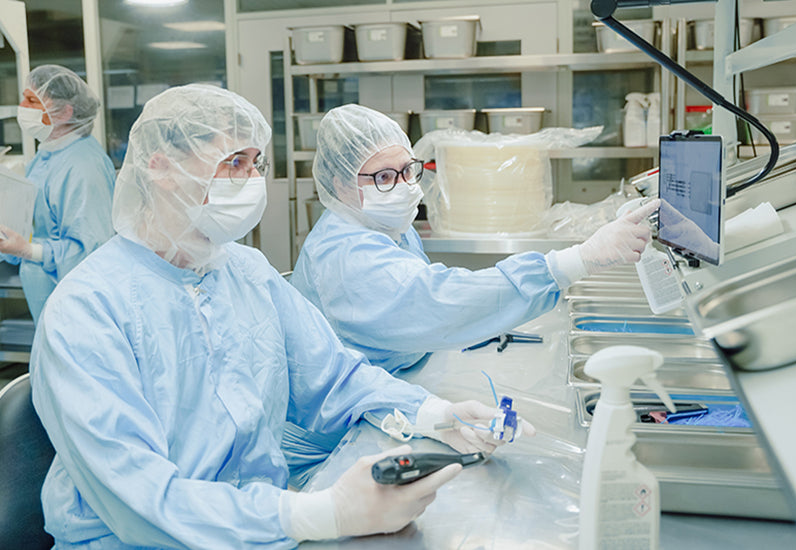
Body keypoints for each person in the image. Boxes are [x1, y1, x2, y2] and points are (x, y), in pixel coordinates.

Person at [29, 84, 533, 549]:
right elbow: (137, 494)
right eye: (233, 163)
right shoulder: (87, 310)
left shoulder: (244, 271)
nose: (251, 181)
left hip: (259, 522)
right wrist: (318, 515)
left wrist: (436, 415)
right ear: (160, 168)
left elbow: (334, 377)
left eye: (256, 163)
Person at [292, 104, 660, 374]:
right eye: (384, 178)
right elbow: (435, 299)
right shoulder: (346, 255)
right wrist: (576, 260)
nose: (404, 188)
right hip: (340, 434)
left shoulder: (381, 225)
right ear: (339, 183)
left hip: (398, 375)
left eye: (408, 171)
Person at [0, 65, 115, 324]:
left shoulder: (83, 167)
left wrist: (29, 250)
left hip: (78, 301)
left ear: (65, 112)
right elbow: (36, 222)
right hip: (47, 296)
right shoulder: (47, 155)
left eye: (32, 100)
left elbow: (92, 251)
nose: (22, 106)